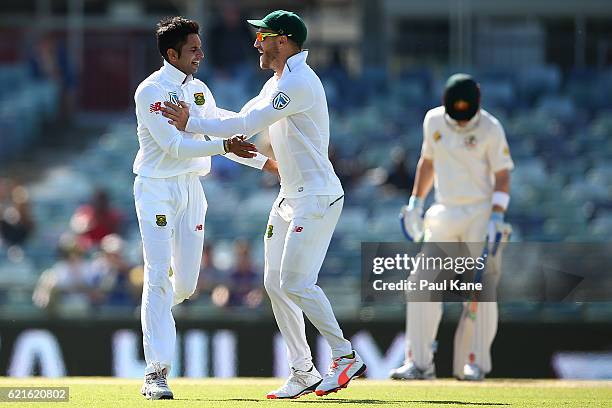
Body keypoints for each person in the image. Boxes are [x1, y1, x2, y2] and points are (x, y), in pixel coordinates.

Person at [161, 9, 366, 399]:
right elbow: (240, 118)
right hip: (290, 195)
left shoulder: (300, 82)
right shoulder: (279, 81)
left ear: (284, 40)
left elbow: (245, 125)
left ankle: (343, 354)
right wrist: (207, 123)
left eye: (264, 36)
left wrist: (192, 123)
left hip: (317, 196)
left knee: (295, 282)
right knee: (274, 283)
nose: (256, 42)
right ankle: (302, 370)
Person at [133, 16, 276, 400]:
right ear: (171, 53)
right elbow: (175, 147)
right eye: (193, 49)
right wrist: (223, 146)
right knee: (159, 274)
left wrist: (267, 162)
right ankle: (156, 373)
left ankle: (155, 308)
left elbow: (221, 130)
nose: (201, 54)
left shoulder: (198, 90)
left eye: (200, 47)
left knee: (185, 285)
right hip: (157, 189)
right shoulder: (151, 92)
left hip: (192, 189)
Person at [391, 74, 514, 381]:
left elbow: (502, 175)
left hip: (481, 213)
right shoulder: (433, 121)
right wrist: (416, 203)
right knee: (421, 281)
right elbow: (427, 162)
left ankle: (477, 363)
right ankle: (420, 363)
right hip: (445, 211)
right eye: (455, 115)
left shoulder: (490, 128)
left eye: (466, 115)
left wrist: (497, 215)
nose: (460, 123)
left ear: (478, 103)